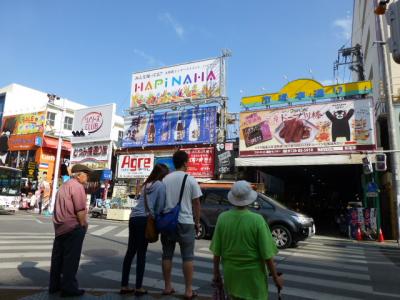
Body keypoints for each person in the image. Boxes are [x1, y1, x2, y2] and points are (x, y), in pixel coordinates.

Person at [210, 181, 283, 300]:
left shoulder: (222, 218)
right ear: (250, 199)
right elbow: (267, 255)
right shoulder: (257, 220)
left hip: (231, 276)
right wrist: (275, 278)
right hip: (254, 279)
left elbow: (216, 252)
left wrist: (216, 273)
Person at [120, 163, 169, 295]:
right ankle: (138, 287)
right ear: (162, 175)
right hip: (145, 220)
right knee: (141, 253)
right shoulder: (160, 185)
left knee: (130, 251)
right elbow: (160, 206)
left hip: (134, 218)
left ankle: (124, 285)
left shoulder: (146, 184)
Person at [161, 150, 202, 299]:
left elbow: (161, 200)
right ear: (185, 163)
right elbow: (196, 203)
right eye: (188, 161)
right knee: (188, 257)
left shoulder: (165, 179)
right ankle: (188, 291)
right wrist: (197, 222)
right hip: (185, 222)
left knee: (167, 255)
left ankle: (167, 287)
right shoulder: (190, 179)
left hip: (168, 222)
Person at [49, 164, 92, 297]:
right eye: (86, 174)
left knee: (58, 259)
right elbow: (80, 210)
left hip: (60, 228)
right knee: (71, 260)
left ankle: (54, 286)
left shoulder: (64, 186)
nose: (88, 177)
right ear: (79, 175)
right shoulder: (77, 187)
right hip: (73, 227)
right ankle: (69, 288)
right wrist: (84, 224)